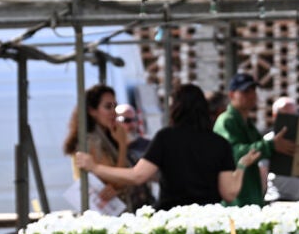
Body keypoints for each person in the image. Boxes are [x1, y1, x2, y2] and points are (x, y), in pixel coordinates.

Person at [76, 84, 260, 210]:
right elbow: (229, 193)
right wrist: (241, 166)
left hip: (172, 218)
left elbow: (138, 175)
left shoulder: (165, 137)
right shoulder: (220, 144)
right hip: (207, 220)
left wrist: (95, 167)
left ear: (176, 108)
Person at [63, 84, 150, 213]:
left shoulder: (109, 135)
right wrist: (122, 145)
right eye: (108, 107)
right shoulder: (91, 141)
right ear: (92, 111)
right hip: (108, 214)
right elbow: (118, 179)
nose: (113, 112)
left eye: (115, 106)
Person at [213, 72, 296, 206]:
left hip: (251, 195)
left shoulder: (248, 124)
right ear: (232, 95)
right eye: (245, 91)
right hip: (235, 198)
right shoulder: (226, 121)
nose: (252, 95)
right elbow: (232, 152)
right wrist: (270, 146)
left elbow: (260, 153)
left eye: (253, 90)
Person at [264, 96, 299, 203]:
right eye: (287, 115)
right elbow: (262, 171)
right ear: (275, 116)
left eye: (293, 115)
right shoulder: (269, 141)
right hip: (277, 200)